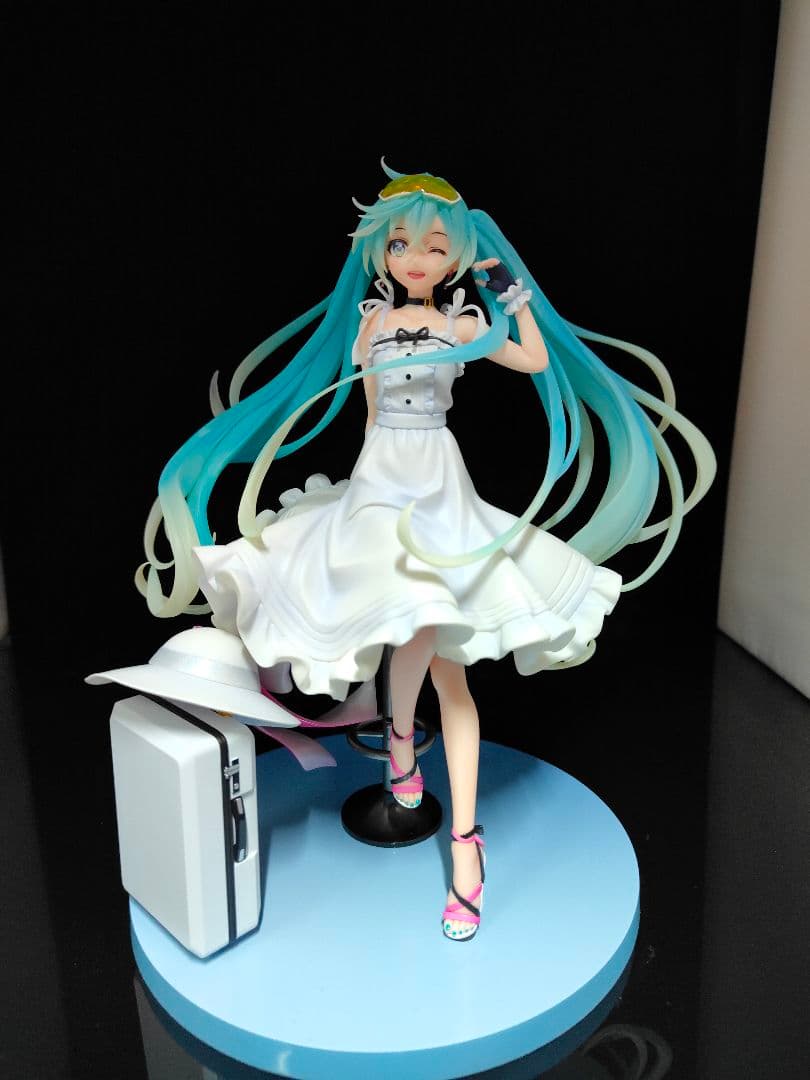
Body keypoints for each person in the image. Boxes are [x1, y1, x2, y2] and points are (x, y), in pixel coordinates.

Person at [137, 162, 715, 940]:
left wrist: (512, 296)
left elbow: (535, 361)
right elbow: (369, 410)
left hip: (439, 483)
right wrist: (357, 498)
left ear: (456, 257)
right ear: (380, 252)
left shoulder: (464, 325)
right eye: (402, 244)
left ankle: (448, 818)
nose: (417, 259)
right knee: (401, 621)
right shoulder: (371, 323)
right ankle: (403, 752)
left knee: (445, 662)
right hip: (382, 479)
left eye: (436, 247)